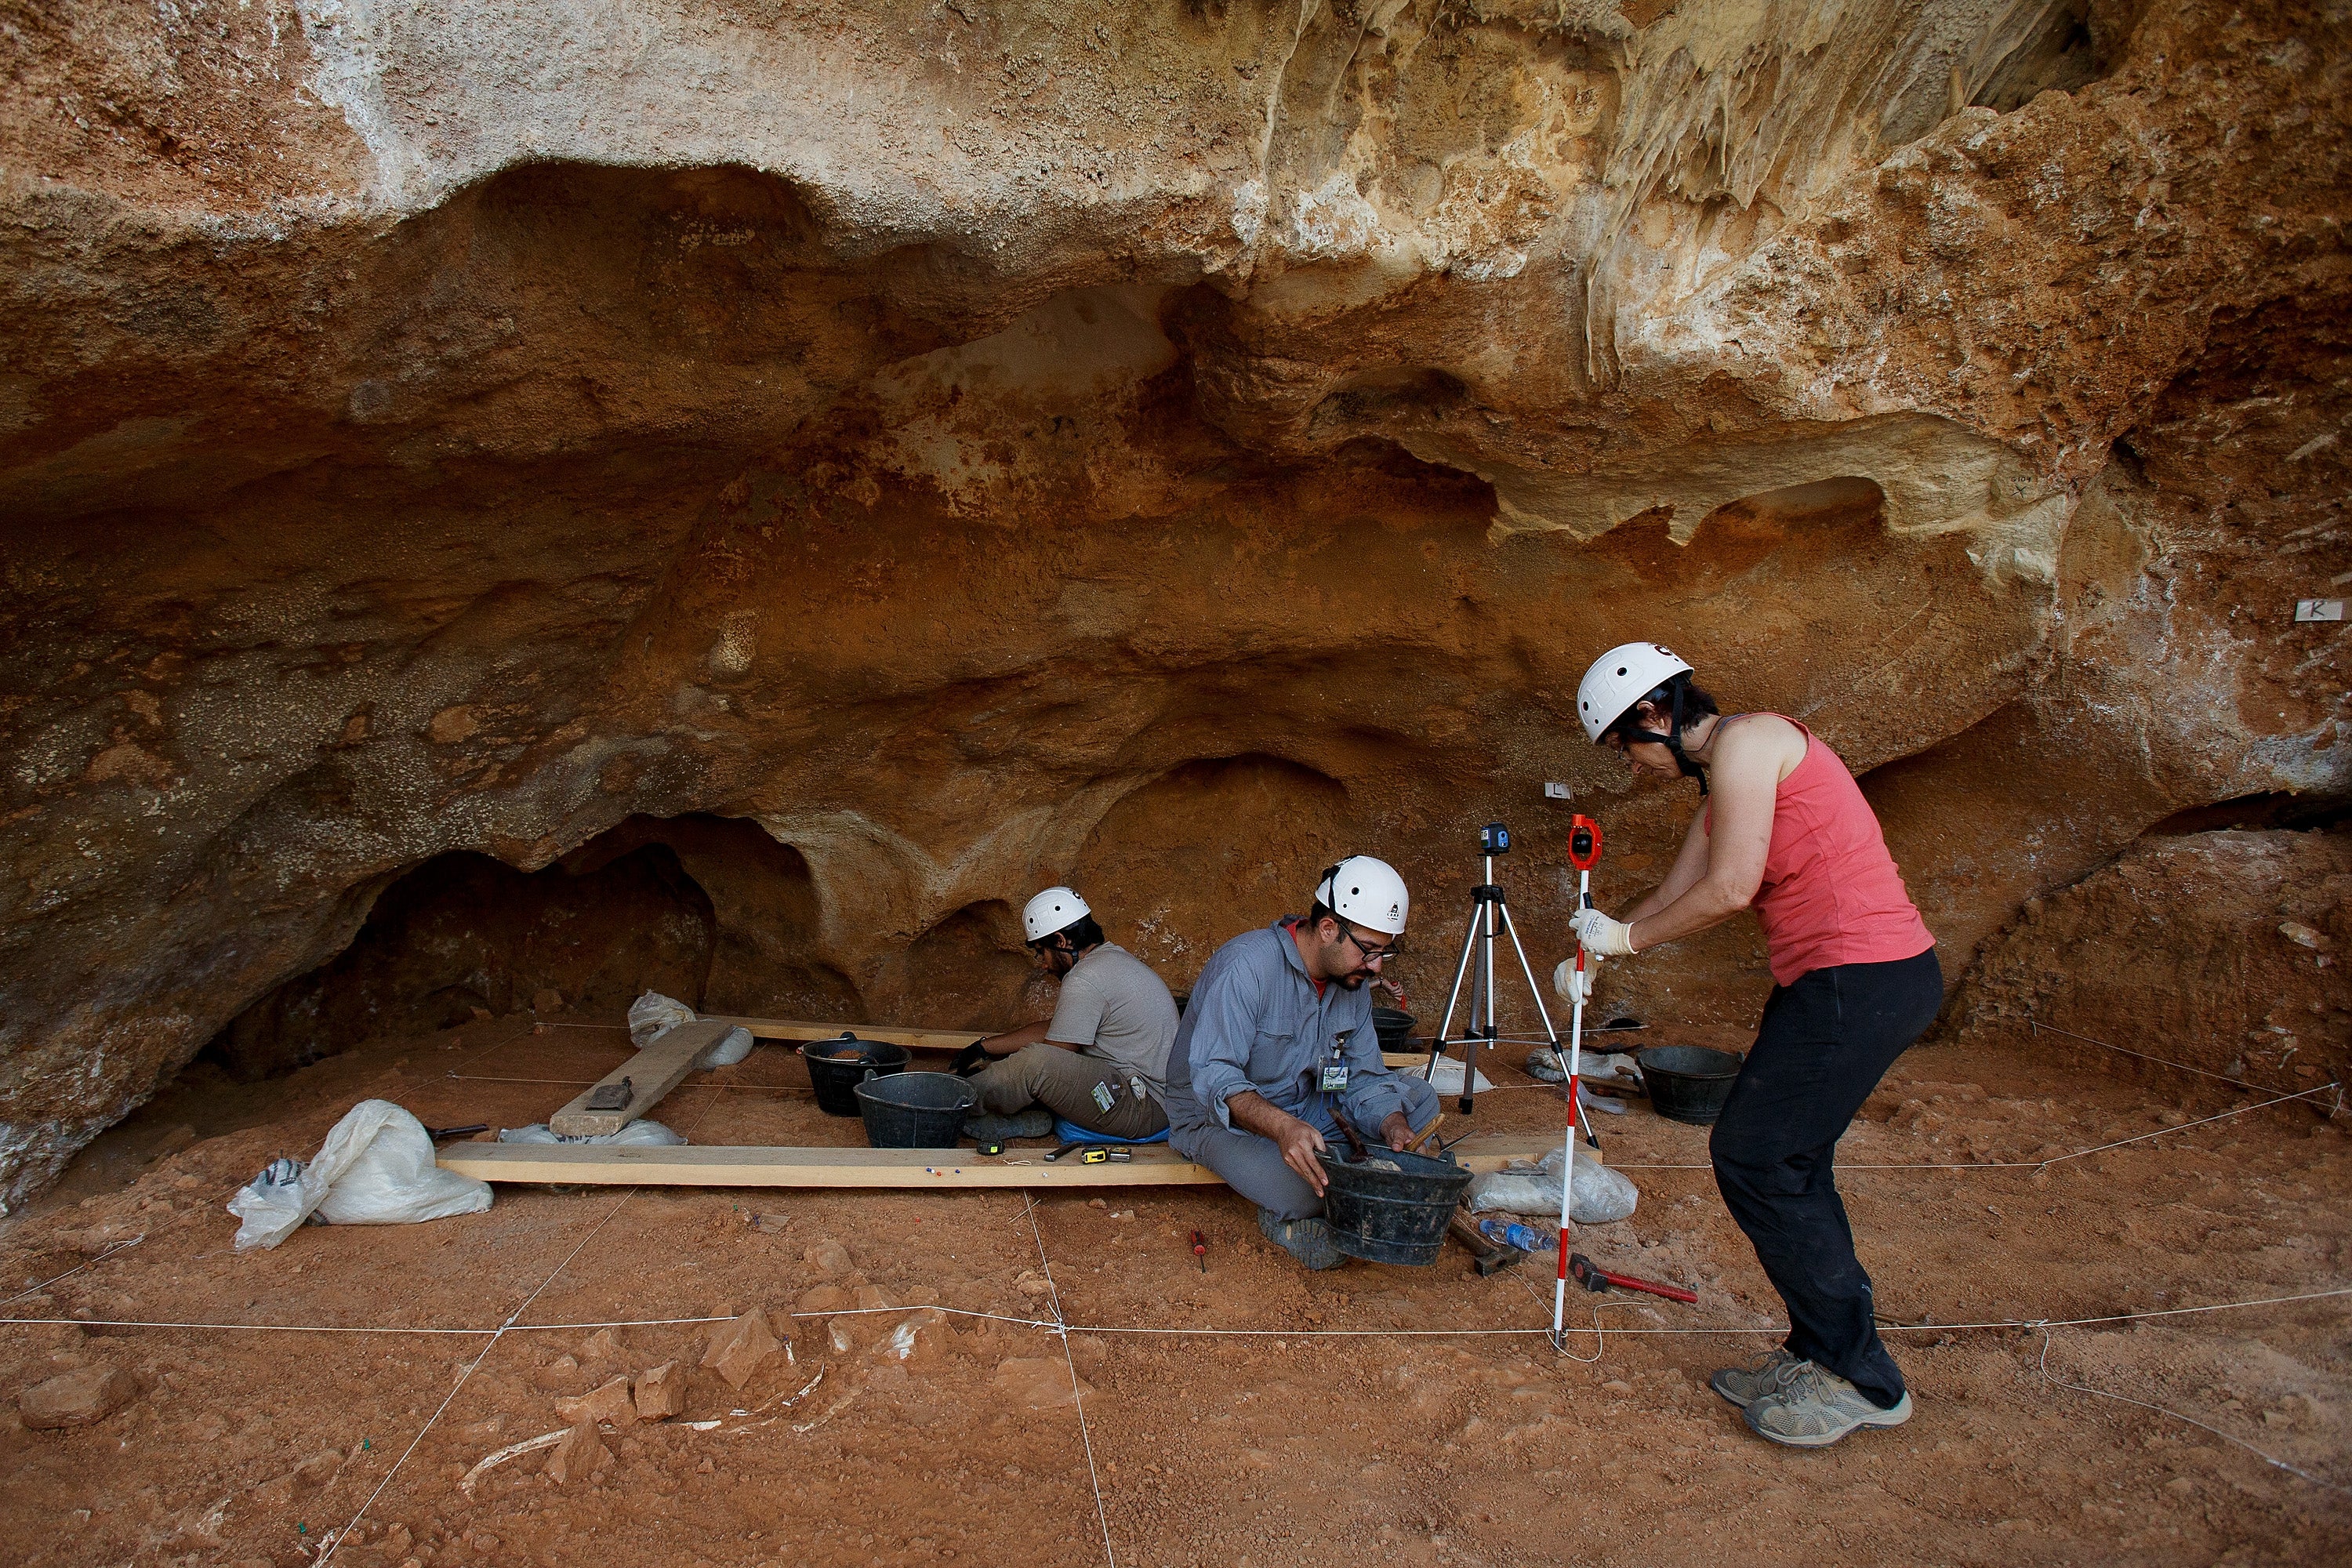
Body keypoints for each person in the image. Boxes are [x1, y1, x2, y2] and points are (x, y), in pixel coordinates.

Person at [1568, 641, 1940, 1450]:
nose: (1631, 766)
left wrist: (1628, 940)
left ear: (1654, 714)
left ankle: (1863, 1379)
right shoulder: (1726, 779)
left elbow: (1731, 888)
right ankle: (1821, 1351)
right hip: (1837, 981)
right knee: (1786, 1162)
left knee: (1759, 1157)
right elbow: (1677, 889)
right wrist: (1598, 948)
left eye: (1626, 746)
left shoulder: (1750, 741)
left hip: (1861, 977)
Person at [1160, 857, 1443, 1269]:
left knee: (1419, 1100)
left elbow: (1363, 1076)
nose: (1376, 966)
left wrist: (1392, 1123)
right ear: (1328, 929)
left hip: (1307, 1108)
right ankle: (1308, 1200)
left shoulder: (1351, 983)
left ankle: (1351, 1169)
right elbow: (1216, 1076)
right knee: (1305, 1189)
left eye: (1385, 952)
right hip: (1216, 1119)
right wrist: (1283, 1128)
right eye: (1369, 950)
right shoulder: (1247, 967)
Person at [955, 887, 1180, 1144]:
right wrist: (985, 1047)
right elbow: (1059, 1029)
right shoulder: (1111, 960)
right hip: (1157, 1099)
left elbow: (1049, 1059)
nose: (1043, 963)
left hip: (1140, 1107)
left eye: (1041, 951)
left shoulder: (1085, 978)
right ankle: (1021, 1118)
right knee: (1034, 1064)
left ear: (1061, 941)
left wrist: (981, 1082)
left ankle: (954, 1103)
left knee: (1035, 1064)